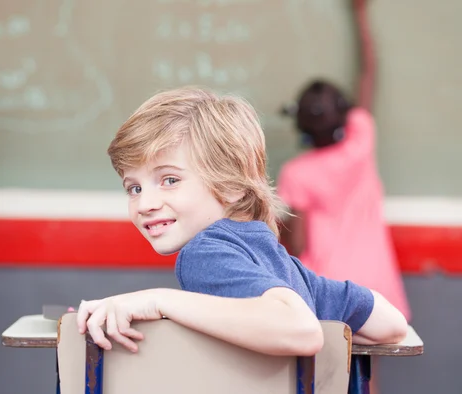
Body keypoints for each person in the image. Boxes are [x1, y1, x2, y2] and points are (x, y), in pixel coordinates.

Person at [73, 85, 408, 357]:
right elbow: (391, 324)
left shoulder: (203, 254)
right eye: (134, 188)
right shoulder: (283, 266)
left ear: (231, 186)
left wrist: (158, 300)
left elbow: (300, 330)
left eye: (170, 180)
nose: (145, 203)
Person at [276, 0, 410, 322]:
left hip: (327, 289)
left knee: (327, 369)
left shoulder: (296, 174)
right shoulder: (361, 139)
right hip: (377, 283)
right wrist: (360, 13)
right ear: (345, 117)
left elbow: (296, 242)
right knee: (369, 369)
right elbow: (368, 74)